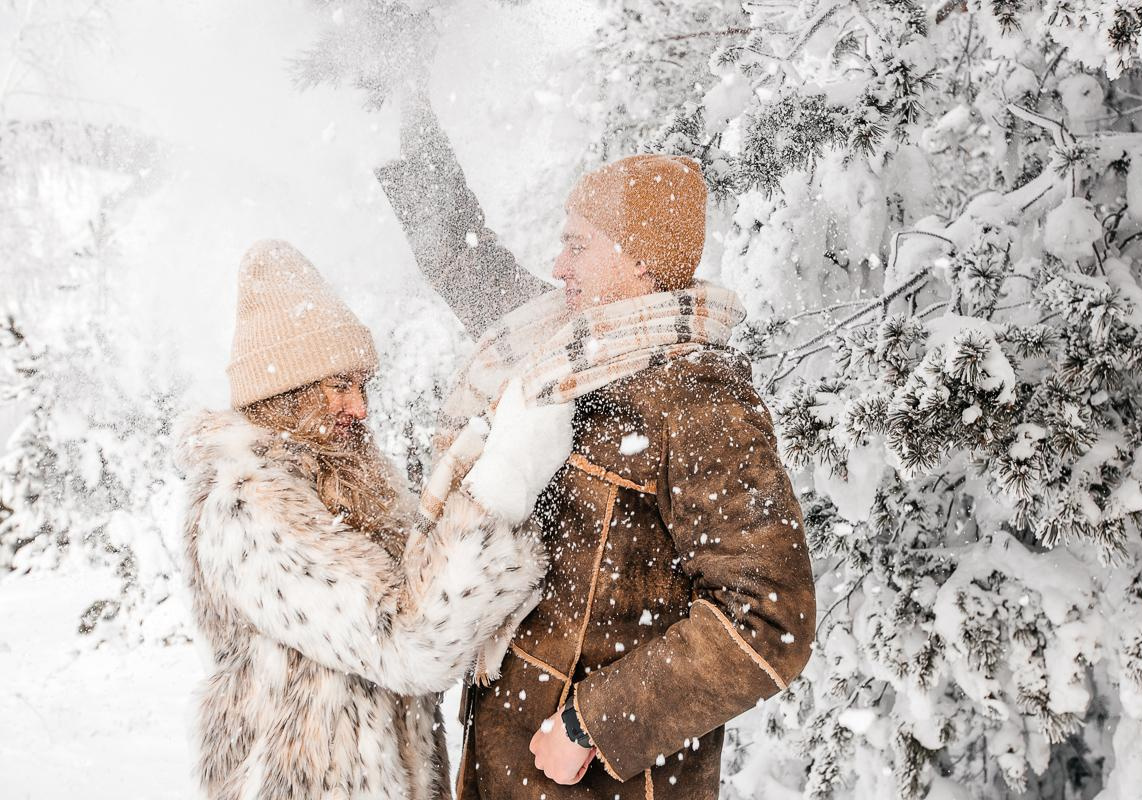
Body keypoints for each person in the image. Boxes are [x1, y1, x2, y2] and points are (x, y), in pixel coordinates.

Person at [375, 96, 817, 800]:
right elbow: (467, 262)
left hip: (602, 783)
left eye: (577, 244)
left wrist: (594, 725)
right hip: (505, 765)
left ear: (638, 261)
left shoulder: (701, 401)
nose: (557, 265)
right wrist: (411, 107)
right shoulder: (565, 349)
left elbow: (770, 618)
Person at [175, 240, 572, 800]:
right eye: (340, 386)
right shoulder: (248, 505)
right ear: (285, 392)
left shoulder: (345, 480)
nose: (360, 408)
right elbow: (407, 641)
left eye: (363, 386)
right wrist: (496, 498)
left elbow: (420, 586)